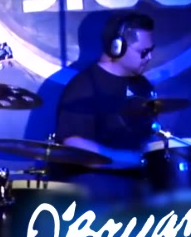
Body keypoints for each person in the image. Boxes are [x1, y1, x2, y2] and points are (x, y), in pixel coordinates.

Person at [52, 12, 157, 202]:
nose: (149, 57)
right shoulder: (84, 86)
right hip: (98, 188)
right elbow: (75, 145)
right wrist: (132, 159)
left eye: (151, 50)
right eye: (143, 52)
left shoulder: (143, 85)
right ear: (117, 47)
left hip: (139, 184)